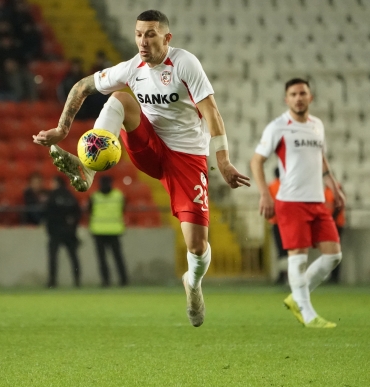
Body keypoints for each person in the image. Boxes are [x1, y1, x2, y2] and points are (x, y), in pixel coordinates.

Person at [33, 10, 250, 327]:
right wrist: (62, 129)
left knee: (197, 246)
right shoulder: (132, 68)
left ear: (166, 37)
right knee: (120, 98)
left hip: (186, 158)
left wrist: (223, 159)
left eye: (150, 34)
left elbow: (211, 111)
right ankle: (89, 169)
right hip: (149, 147)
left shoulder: (185, 64)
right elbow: (82, 86)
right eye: (138, 34)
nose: (142, 41)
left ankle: (193, 282)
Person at [250, 78, 345, 328]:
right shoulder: (278, 127)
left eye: (303, 93)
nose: (298, 98)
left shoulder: (317, 126)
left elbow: (321, 159)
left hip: (317, 200)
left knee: (333, 256)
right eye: (293, 94)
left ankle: (297, 297)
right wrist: (264, 193)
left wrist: (334, 186)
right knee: (298, 258)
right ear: (286, 99)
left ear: (310, 97)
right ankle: (308, 313)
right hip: (290, 201)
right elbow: (256, 161)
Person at [89, 175, 128, 287]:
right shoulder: (119, 195)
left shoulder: (94, 197)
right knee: (118, 258)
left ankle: (106, 281)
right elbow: (123, 209)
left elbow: (90, 212)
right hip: (114, 230)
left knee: (102, 259)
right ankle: (123, 281)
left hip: (99, 231)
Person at [44, 176, 82, 288]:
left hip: (56, 231)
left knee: (53, 257)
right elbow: (77, 213)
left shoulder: (52, 196)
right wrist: (73, 227)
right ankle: (77, 280)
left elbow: (48, 213)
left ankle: (52, 281)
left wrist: (50, 230)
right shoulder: (70, 196)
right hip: (69, 231)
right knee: (73, 256)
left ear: (57, 183)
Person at [268, 167, 288, 285]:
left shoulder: (271, 186)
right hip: (287, 223)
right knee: (288, 250)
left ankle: (282, 276)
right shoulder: (287, 185)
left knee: (280, 251)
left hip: (276, 223)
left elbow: (269, 204)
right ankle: (289, 277)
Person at [324, 184, 346, 283]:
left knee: (334, 251)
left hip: (336, 224)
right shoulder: (327, 190)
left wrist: (331, 219)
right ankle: (332, 276)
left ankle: (335, 276)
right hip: (330, 223)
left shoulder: (336, 188)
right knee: (330, 251)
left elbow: (339, 206)